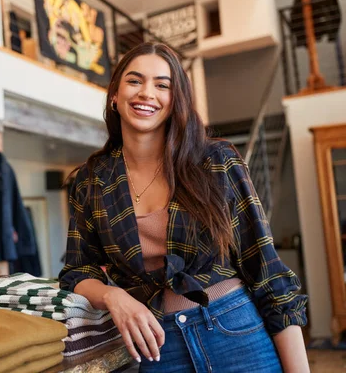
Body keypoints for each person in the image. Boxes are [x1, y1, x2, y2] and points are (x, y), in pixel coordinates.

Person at [58, 42, 309, 372]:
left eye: (162, 85)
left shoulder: (216, 162)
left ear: (175, 101)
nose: (147, 93)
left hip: (235, 330)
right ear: (115, 96)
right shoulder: (90, 181)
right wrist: (113, 297)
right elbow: (77, 270)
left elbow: (267, 272)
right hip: (158, 344)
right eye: (135, 81)